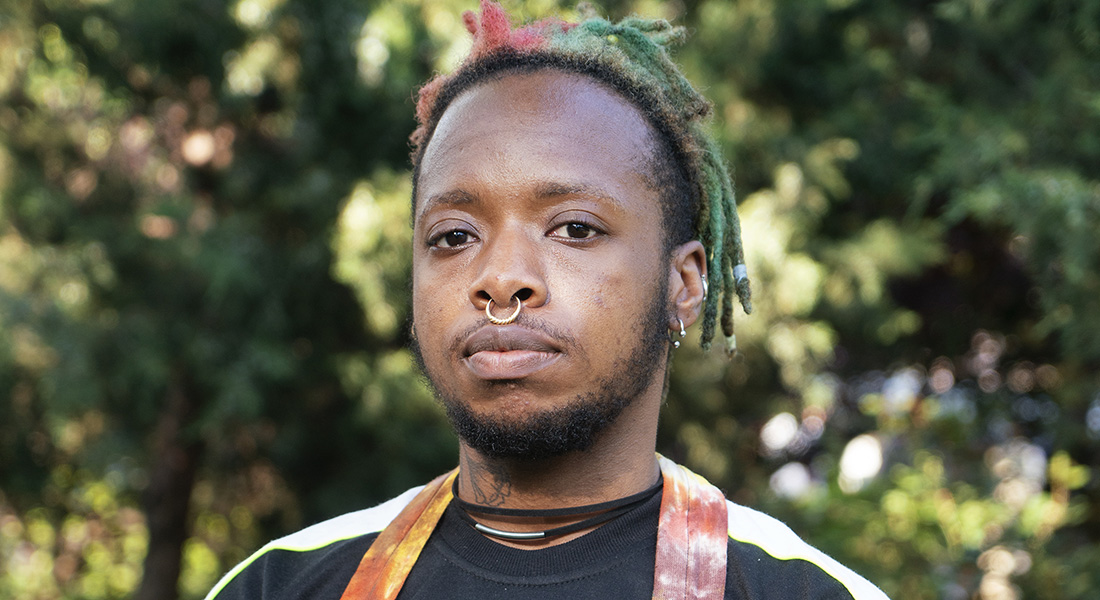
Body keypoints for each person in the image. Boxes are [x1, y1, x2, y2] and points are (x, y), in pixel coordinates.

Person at [205, 2, 889, 598]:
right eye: (453, 236)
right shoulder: (284, 583)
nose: (500, 278)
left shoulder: (798, 589)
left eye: (574, 228)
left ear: (683, 285)